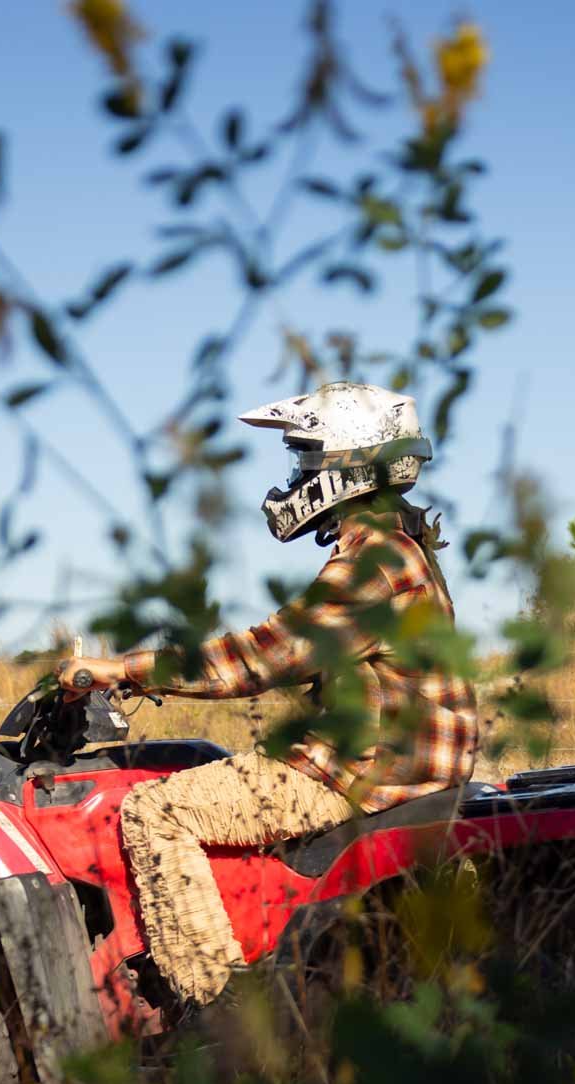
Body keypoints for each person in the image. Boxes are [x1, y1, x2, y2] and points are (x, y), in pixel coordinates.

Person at [57, 383, 478, 1006]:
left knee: (156, 812)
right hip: (399, 763)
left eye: (304, 461)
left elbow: (258, 659)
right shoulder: (398, 549)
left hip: (364, 771)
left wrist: (125, 670)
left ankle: (221, 1008)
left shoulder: (371, 565)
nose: (296, 477)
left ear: (344, 467)